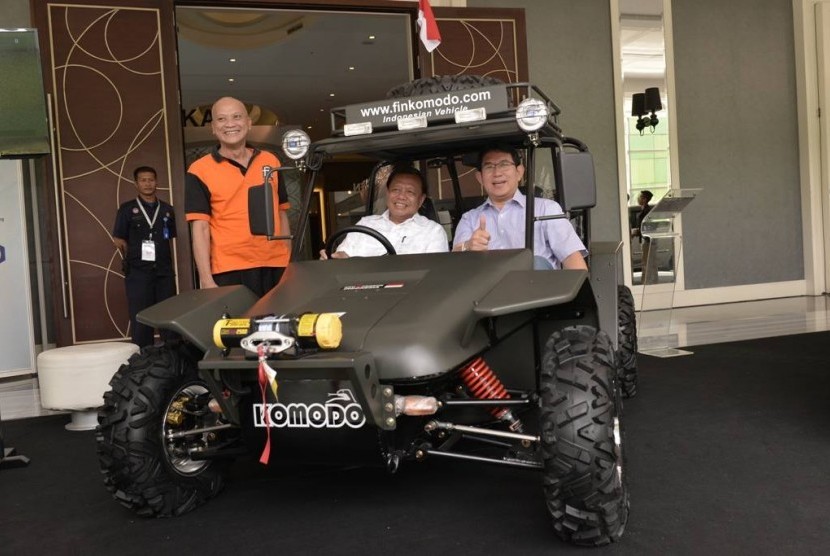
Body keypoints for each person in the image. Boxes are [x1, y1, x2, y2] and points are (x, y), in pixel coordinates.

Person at [185, 96, 291, 296]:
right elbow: (200, 228)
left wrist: (286, 259)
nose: (230, 124)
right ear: (213, 127)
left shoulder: (271, 161)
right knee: (236, 327)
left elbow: (281, 212)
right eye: (222, 119)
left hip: (275, 265)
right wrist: (206, 280)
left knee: (277, 326)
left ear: (249, 123)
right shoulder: (199, 170)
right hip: (229, 269)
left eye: (236, 117)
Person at [452, 145, 588, 270]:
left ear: (519, 172)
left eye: (504, 164)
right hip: (487, 294)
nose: (497, 173)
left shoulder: (546, 209)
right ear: (480, 177)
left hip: (538, 292)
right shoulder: (469, 218)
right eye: (489, 167)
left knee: (536, 262)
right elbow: (454, 265)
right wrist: (468, 246)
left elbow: (572, 259)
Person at [321, 165, 448, 258]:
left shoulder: (433, 232)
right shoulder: (365, 225)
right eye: (396, 190)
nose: (401, 196)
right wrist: (334, 257)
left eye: (410, 192)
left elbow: (434, 275)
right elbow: (343, 256)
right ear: (387, 193)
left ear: (421, 200)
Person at [112, 166, 177, 348]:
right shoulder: (127, 209)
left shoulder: (167, 209)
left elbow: (169, 237)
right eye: (143, 180)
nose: (148, 184)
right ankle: (143, 359)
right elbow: (118, 239)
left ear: (157, 182)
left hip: (164, 272)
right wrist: (134, 255)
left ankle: (171, 358)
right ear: (136, 183)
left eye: (151, 179)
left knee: (168, 315)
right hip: (138, 273)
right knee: (141, 317)